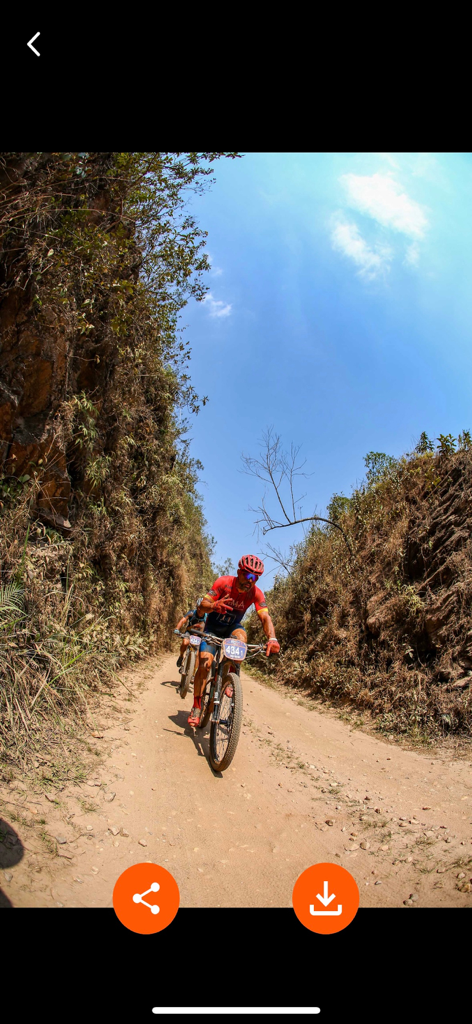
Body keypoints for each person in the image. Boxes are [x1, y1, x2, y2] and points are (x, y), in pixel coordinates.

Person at [187, 555, 280, 726]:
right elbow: (202, 606)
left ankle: (229, 675)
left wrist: (272, 638)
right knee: (204, 664)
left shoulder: (256, 593)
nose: (250, 581)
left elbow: (265, 616)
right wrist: (214, 606)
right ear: (239, 572)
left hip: (232, 627)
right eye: (247, 575)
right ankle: (197, 706)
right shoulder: (223, 583)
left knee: (241, 638)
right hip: (213, 627)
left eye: (255, 577)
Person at [175, 602, 207, 670]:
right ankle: (181, 656)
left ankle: (194, 673)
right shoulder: (191, 613)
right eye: (198, 607)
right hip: (190, 633)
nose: (199, 609)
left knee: (198, 654)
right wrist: (177, 629)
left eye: (201, 608)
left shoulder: (207, 617)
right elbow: (182, 620)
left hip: (200, 635)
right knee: (185, 642)